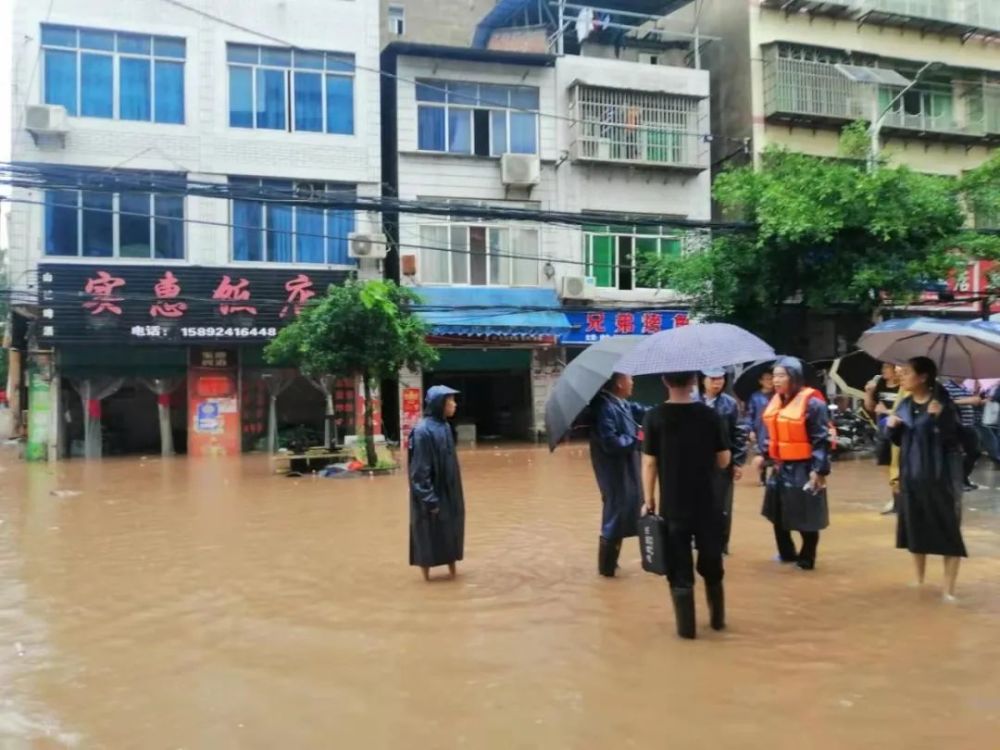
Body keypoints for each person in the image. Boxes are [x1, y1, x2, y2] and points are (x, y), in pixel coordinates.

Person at [642, 371, 731, 640]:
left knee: (680, 571)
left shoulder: (654, 417)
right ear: (694, 380)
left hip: (674, 507)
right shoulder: (710, 415)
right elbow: (725, 460)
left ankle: (687, 632)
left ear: (665, 381)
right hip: (709, 504)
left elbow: (649, 463)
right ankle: (717, 622)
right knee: (712, 564)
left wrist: (649, 500)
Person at [887, 357, 967, 602]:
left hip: (940, 479)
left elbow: (955, 441)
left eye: (907, 372)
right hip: (912, 476)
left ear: (923, 377)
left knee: (948, 532)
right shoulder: (905, 405)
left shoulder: (944, 404)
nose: (901, 375)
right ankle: (919, 579)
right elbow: (899, 441)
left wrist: (939, 419)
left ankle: (948, 590)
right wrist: (892, 428)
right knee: (916, 528)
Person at [760, 357, 831, 571]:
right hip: (781, 466)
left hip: (804, 466)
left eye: (782, 375)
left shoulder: (813, 404)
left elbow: (821, 439)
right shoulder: (776, 401)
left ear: (794, 377)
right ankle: (786, 553)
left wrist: (818, 470)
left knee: (806, 515)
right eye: (774, 376)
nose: (776, 380)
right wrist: (763, 456)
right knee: (777, 513)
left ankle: (807, 557)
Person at [589, 372, 647, 577]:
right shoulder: (605, 408)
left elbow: (643, 411)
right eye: (630, 378)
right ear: (620, 383)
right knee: (615, 512)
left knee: (624, 510)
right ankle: (606, 569)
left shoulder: (621, 404)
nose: (633, 382)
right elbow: (611, 443)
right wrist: (638, 438)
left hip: (627, 467)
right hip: (613, 471)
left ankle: (611, 565)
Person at [408, 385, 466, 582]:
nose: (455, 405)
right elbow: (419, 472)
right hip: (431, 494)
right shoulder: (422, 431)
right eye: (451, 401)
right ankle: (426, 579)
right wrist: (429, 499)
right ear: (440, 404)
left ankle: (453, 574)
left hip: (450, 492)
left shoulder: (446, 428)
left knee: (451, 533)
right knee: (427, 536)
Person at [699, 368, 747, 554]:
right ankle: (700, 540)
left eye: (721, 379)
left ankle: (721, 544)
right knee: (698, 503)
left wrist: (738, 462)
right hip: (697, 463)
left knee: (722, 504)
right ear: (703, 380)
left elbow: (739, 433)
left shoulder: (730, 404)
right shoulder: (692, 400)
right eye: (713, 379)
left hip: (722, 462)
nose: (717, 382)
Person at [865, 363, 903, 514]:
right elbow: (870, 407)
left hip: (897, 429)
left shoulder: (904, 387)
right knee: (885, 464)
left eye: (886, 368)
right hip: (882, 429)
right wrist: (868, 393)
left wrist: (886, 411)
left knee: (898, 464)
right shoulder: (880, 383)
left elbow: (904, 410)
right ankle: (895, 496)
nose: (882, 371)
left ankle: (899, 500)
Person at [940, 378, 983, 491]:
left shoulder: (964, 387)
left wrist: (976, 399)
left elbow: (970, 402)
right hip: (958, 426)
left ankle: (963, 478)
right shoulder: (947, 387)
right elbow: (945, 403)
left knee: (975, 452)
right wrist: (967, 400)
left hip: (969, 424)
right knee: (962, 454)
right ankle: (958, 481)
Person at [745, 369, 774, 486]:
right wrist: (750, 429)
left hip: (775, 428)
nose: (770, 381)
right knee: (761, 454)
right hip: (761, 429)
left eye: (771, 378)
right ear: (761, 381)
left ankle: (774, 477)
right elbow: (749, 414)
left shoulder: (779, 395)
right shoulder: (755, 397)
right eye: (766, 379)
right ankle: (762, 478)